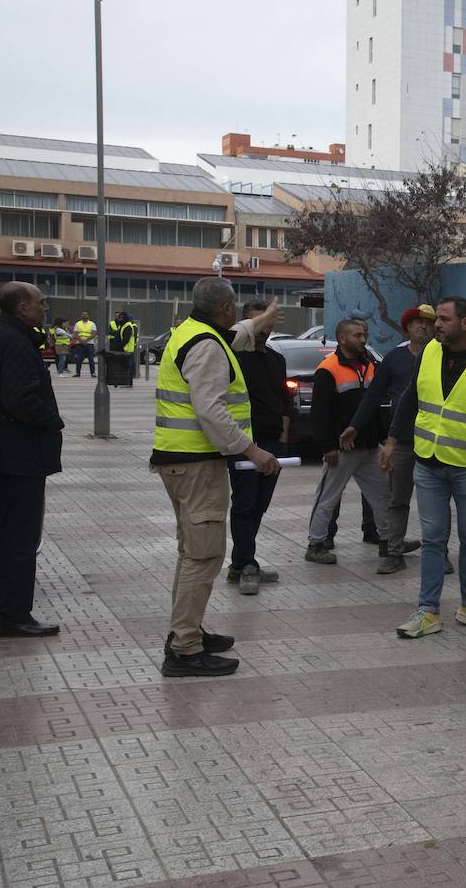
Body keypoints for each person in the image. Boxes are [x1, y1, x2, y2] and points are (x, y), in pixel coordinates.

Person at [152, 278, 282, 677]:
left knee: (192, 552)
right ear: (226, 309)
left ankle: (184, 632)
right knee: (204, 555)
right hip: (197, 464)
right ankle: (185, 650)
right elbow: (210, 410)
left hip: (182, 462)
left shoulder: (193, 332)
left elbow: (235, 336)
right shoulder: (207, 346)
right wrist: (252, 449)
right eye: (235, 309)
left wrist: (261, 320)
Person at [384, 296, 466, 637]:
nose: (436, 325)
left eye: (443, 319)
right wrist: (393, 439)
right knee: (433, 538)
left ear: (465, 324)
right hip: (428, 462)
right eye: (436, 319)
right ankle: (427, 611)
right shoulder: (428, 353)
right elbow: (411, 397)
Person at [0, 281, 64, 637]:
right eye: (40, 303)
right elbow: (20, 398)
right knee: (18, 536)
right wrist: (52, 420)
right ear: (22, 308)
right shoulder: (16, 342)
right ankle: (14, 614)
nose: (45, 307)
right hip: (18, 453)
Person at [343, 305, 434, 575]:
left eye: (429, 323)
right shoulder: (394, 358)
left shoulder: (441, 356)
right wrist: (355, 427)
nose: (424, 327)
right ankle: (394, 552)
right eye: (418, 322)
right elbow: (373, 396)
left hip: (434, 441)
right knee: (397, 499)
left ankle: (438, 554)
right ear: (407, 327)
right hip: (402, 441)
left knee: (436, 502)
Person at [302, 320, 391, 566]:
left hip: (370, 446)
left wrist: (383, 438)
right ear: (342, 339)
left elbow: (375, 408)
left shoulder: (370, 365)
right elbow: (319, 413)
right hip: (342, 449)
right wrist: (327, 446)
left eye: (364, 335)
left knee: (383, 494)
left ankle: (389, 541)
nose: (363, 340)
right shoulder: (328, 369)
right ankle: (316, 544)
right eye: (357, 335)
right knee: (327, 497)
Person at [226, 299, 292, 595]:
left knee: (259, 506)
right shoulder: (233, 358)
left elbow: (284, 401)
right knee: (244, 504)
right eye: (255, 323)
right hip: (243, 444)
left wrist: (283, 439)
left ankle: (240, 562)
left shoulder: (277, 359)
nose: (261, 329)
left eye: (265, 323)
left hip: (272, 441)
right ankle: (245, 565)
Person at [71, 310, 97, 378]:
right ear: (81, 316)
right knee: (79, 359)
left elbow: (93, 333)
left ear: (88, 316)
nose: (84, 315)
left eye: (86, 314)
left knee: (91, 359)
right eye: (83, 314)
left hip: (89, 343)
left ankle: (93, 373)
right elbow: (75, 333)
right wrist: (81, 340)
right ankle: (77, 373)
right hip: (80, 343)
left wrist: (86, 340)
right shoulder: (78, 323)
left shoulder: (92, 324)